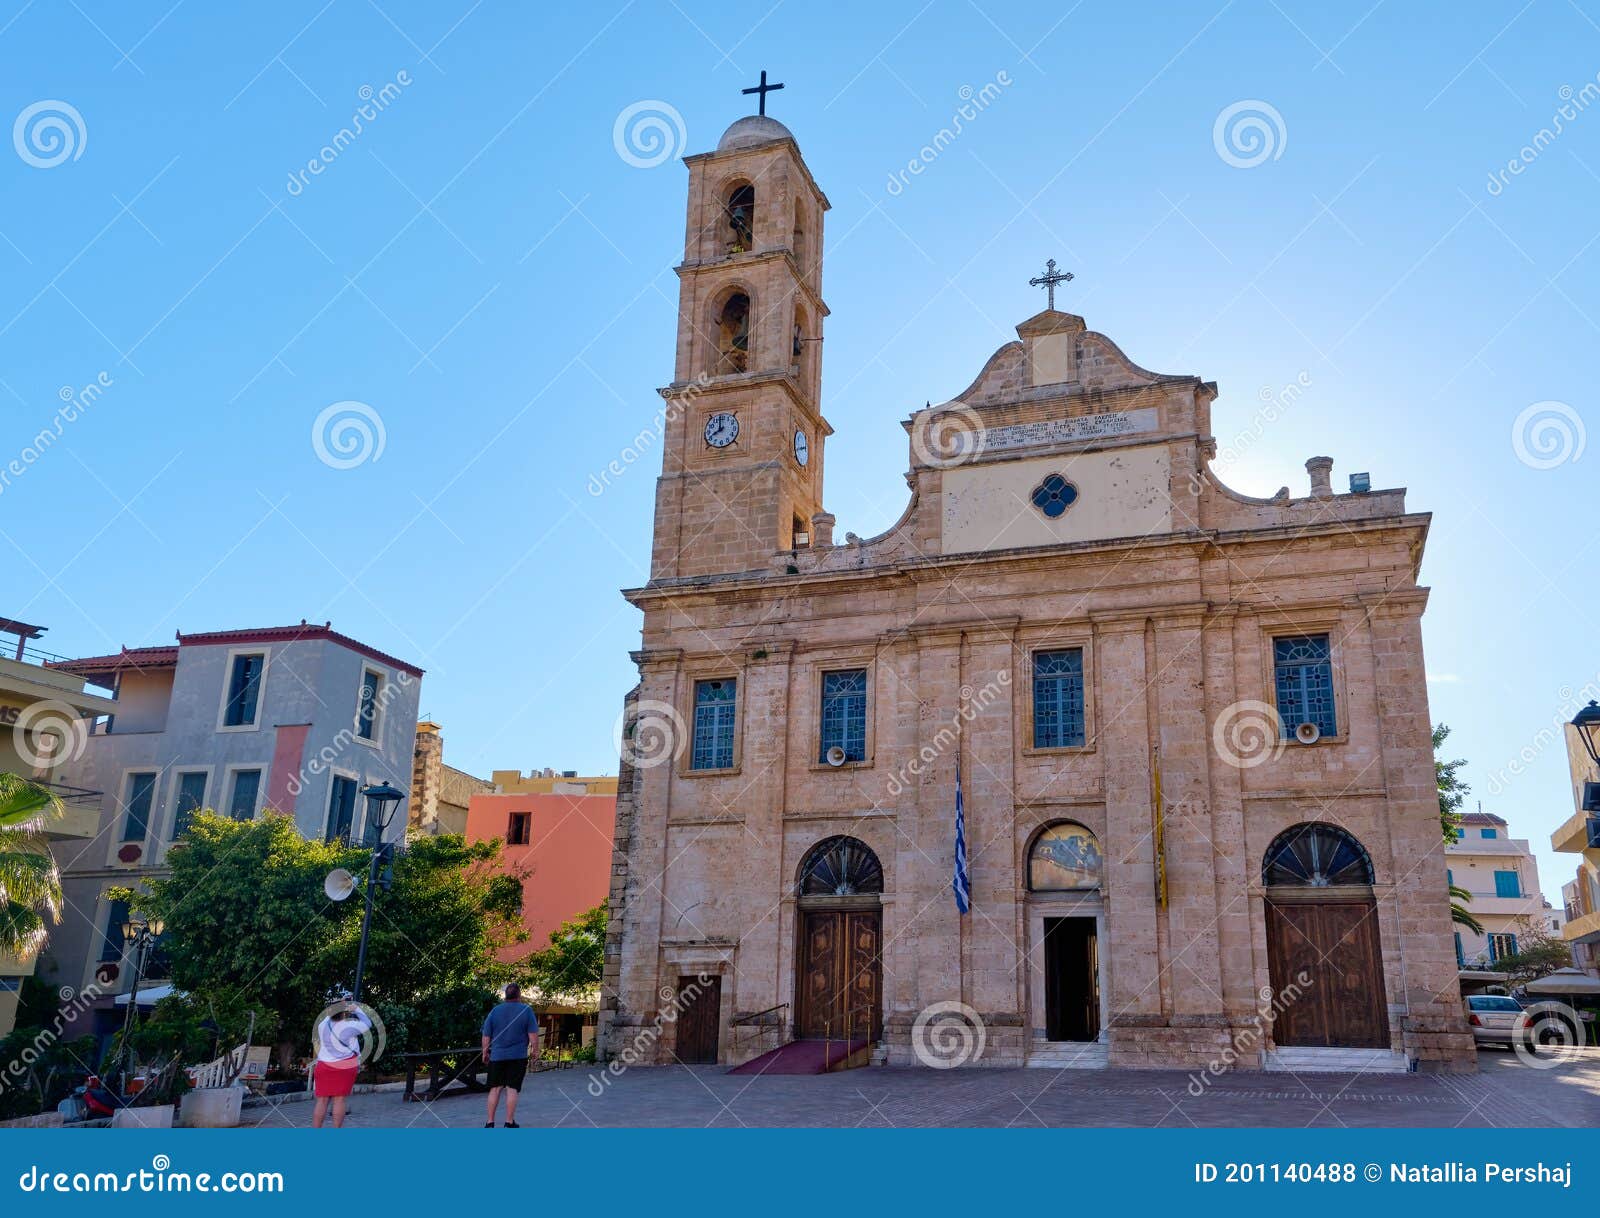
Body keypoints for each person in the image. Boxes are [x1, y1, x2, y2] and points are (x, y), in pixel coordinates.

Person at [480, 983, 538, 1128]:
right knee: (512, 1089)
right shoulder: (526, 1010)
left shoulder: (495, 1011)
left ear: (506, 996)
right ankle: (509, 1121)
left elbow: (486, 1035)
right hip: (517, 1057)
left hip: (497, 1057)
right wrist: (535, 1051)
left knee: (495, 1089)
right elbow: (533, 1035)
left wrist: (485, 1052)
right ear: (519, 995)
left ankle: (490, 1122)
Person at [311, 997, 371, 1129]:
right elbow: (368, 1023)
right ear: (344, 1013)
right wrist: (356, 1008)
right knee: (339, 1100)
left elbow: (329, 1016)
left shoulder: (322, 1025)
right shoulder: (350, 1026)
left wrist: (339, 1004)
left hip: (324, 1066)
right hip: (344, 1067)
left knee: (322, 1100)